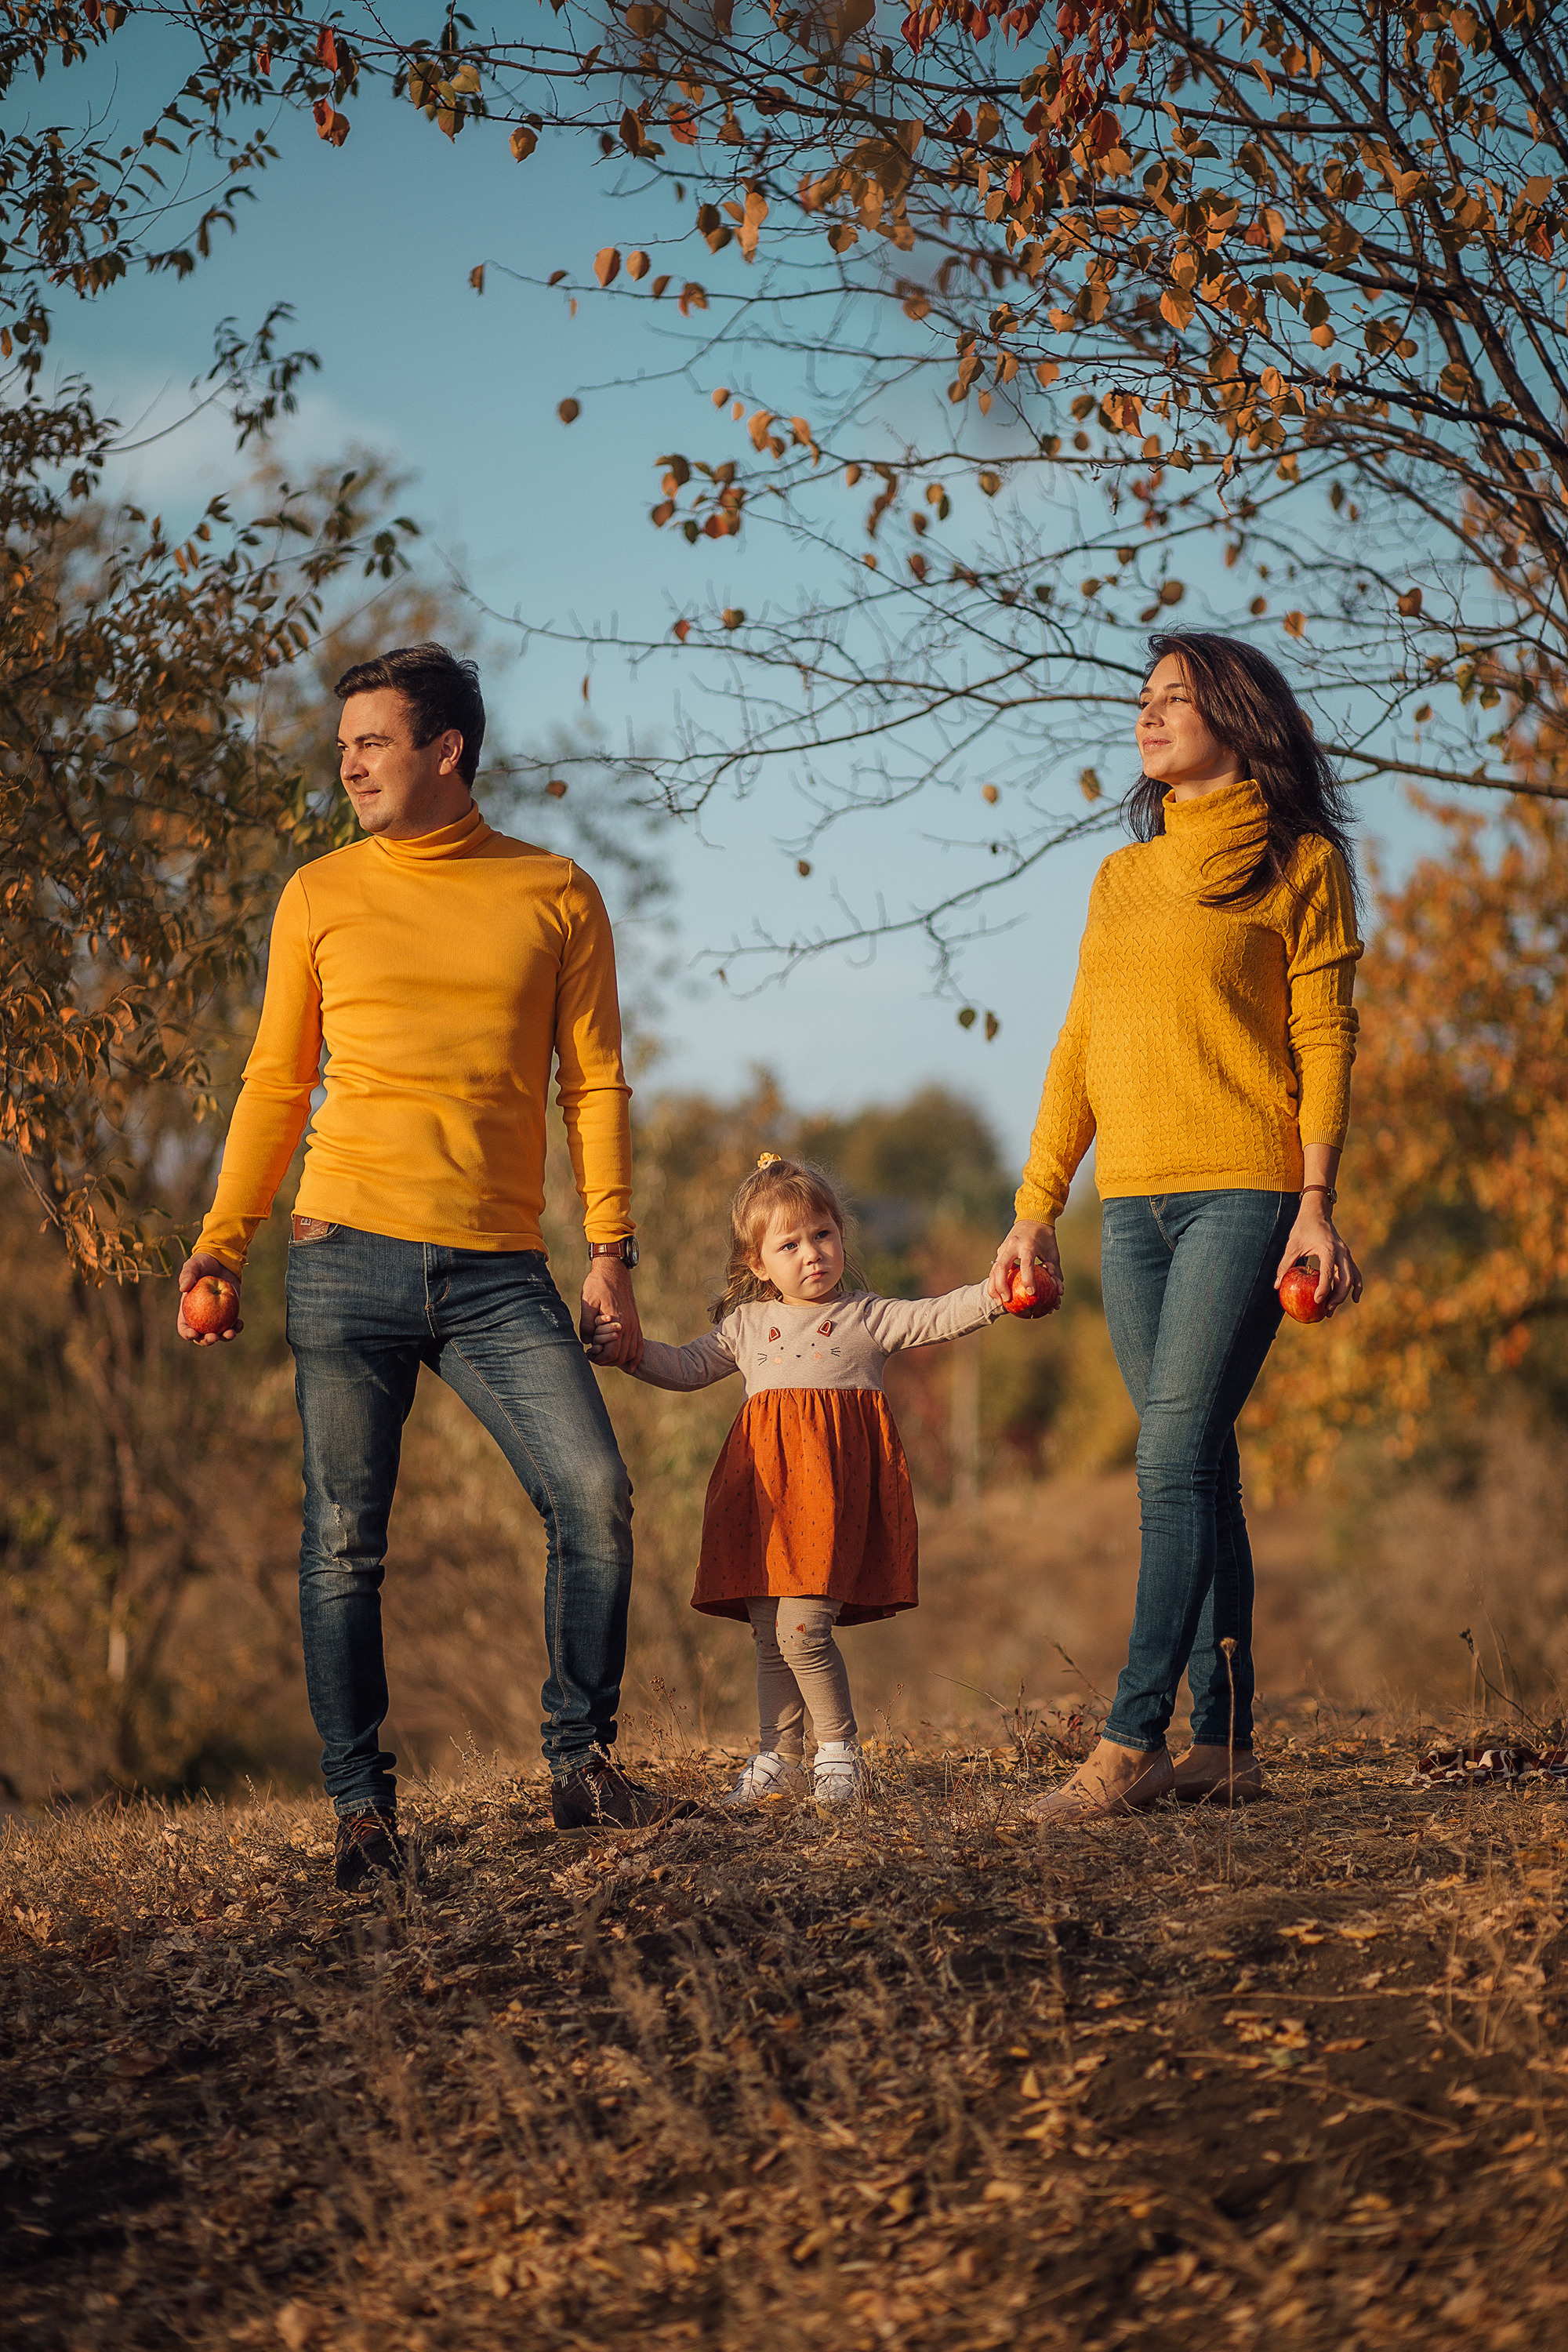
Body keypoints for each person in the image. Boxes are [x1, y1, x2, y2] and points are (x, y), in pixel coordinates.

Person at [176, 642, 664, 1888]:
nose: (348, 763)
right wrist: (220, 1243)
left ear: (447, 748)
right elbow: (277, 1083)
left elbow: (593, 1083)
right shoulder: (318, 894)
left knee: (593, 1497)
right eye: (343, 745)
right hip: (344, 1254)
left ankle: (582, 1761)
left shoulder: (555, 892)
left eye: (373, 741)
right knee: (344, 1540)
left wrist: (609, 1252)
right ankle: (362, 1812)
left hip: (502, 1269)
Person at [989, 631, 1364, 1821]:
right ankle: (1231, 1742)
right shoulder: (1120, 877)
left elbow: (1323, 1039)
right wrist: (1034, 1207)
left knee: (1165, 1454)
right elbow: (1079, 1048)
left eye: (1175, 700)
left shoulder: (1302, 865)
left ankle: (1134, 1734)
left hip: (1246, 1191)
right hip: (1131, 1209)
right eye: (1143, 701)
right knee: (1197, 1461)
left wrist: (1316, 1204)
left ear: (1237, 717)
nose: (1148, 718)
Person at [590, 1152, 1033, 1802]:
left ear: (841, 1235)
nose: (812, 1253)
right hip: (764, 1499)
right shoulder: (745, 1326)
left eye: (822, 1234)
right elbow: (684, 1367)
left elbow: (937, 1314)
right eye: (790, 1244)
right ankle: (780, 1756)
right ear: (757, 1263)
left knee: (803, 1629)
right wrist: (627, 1351)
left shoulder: (865, 1317)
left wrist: (997, 1295)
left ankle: (838, 1753)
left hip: (831, 1500)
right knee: (770, 1634)